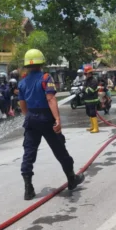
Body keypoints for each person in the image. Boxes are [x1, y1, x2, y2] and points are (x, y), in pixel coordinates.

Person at [18, 49, 83, 200]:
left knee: (29, 153)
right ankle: (71, 179)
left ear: (27, 65)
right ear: (42, 63)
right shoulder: (46, 78)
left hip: (31, 118)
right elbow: (51, 99)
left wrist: (29, 117)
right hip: (46, 118)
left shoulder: (22, 83)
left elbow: (22, 105)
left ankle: (28, 189)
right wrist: (58, 120)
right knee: (60, 150)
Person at [82, 66, 100, 133]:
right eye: (85, 74)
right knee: (88, 113)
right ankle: (92, 127)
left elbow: (90, 91)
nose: (86, 75)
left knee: (92, 113)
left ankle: (96, 128)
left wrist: (83, 89)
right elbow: (84, 87)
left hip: (92, 100)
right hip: (87, 100)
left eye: (87, 73)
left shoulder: (93, 81)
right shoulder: (87, 80)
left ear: (90, 73)